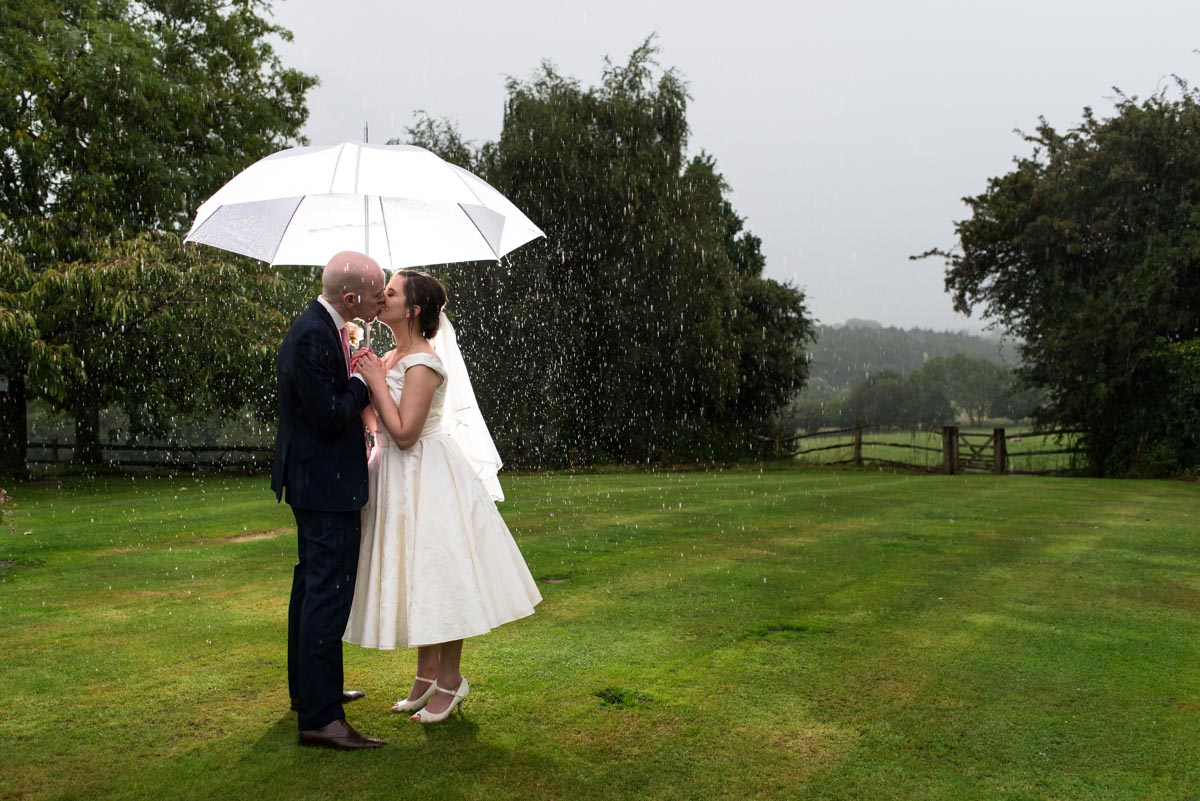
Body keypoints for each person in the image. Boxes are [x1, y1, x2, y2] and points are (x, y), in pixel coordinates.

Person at [347, 269, 542, 723]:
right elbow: (381, 428)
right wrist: (366, 385)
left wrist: (375, 383)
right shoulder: (393, 355)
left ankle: (451, 680)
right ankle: (426, 674)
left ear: (412, 310)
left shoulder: (425, 363)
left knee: (441, 571)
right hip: (394, 477)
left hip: (428, 475)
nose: (382, 296)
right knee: (417, 574)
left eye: (390, 292)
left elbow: (407, 433)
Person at [271, 251, 387, 750]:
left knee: (311, 584)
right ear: (349, 298)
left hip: (317, 481)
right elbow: (328, 416)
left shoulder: (328, 327)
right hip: (323, 484)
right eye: (375, 293)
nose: (381, 300)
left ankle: (311, 691)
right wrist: (365, 382)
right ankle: (322, 717)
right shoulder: (313, 335)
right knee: (327, 591)